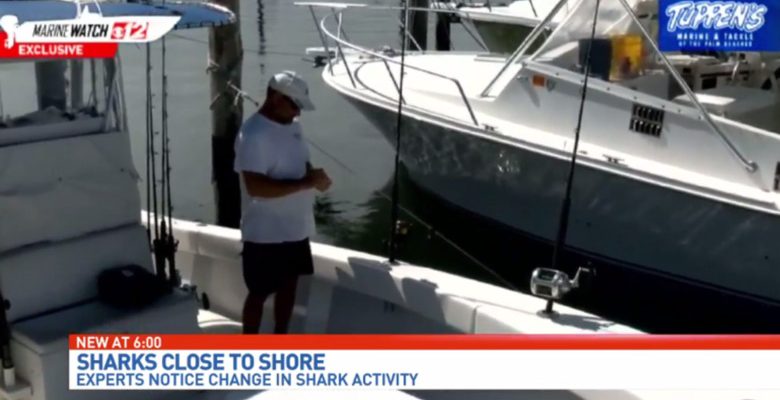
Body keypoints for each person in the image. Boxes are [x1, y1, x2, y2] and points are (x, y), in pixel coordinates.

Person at [234, 70, 332, 334]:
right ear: (276, 97)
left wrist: (314, 176)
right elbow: (255, 187)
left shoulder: (294, 127)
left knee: (290, 285)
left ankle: (281, 339)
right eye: (295, 104)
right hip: (264, 233)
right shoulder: (252, 135)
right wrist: (306, 183)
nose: (298, 112)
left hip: (296, 229)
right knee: (259, 292)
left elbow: (301, 164)